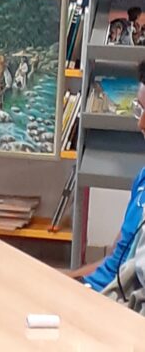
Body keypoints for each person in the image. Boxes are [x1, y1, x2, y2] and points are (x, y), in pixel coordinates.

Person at [65, 61, 145, 291]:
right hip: (97, 289)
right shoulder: (142, 178)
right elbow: (113, 260)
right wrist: (65, 280)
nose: (140, 124)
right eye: (139, 109)